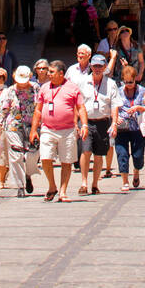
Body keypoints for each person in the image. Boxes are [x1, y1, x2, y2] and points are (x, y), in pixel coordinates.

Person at [29, 60, 89, 201]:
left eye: (51, 72)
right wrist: (33, 130)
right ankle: (52, 186)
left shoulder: (72, 88)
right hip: (47, 129)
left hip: (67, 130)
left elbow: (81, 107)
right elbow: (38, 110)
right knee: (45, 158)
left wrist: (84, 125)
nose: (48, 74)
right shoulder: (44, 88)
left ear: (61, 74)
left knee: (66, 161)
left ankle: (62, 191)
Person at [84, 54, 120, 193]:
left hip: (103, 122)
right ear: (91, 66)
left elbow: (114, 105)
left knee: (99, 155)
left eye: (100, 66)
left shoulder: (111, 84)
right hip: (87, 122)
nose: (97, 69)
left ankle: (94, 184)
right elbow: (79, 104)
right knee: (86, 151)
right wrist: (77, 123)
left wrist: (114, 124)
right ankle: (83, 182)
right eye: (95, 66)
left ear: (105, 67)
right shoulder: (84, 82)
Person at [115, 64, 145, 191]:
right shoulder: (118, 91)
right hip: (122, 128)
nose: (128, 84)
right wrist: (116, 118)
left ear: (135, 78)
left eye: (131, 82)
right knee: (122, 154)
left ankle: (136, 171)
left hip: (138, 128)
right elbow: (113, 107)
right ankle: (125, 181)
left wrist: (138, 108)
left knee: (137, 155)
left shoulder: (142, 91)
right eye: (126, 82)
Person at [3, 65, 39, 196]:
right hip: (14, 126)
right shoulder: (10, 91)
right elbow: (4, 109)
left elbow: (41, 106)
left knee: (33, 154)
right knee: (16, 154)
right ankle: (20, 185)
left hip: (32, 126)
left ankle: (28, 174)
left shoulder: (36, 88)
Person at [66, 45, 94, 185]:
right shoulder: (71, 70)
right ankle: (77, 157)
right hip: (72, 106)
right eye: (78, 53)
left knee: (84, 132)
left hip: (88, 105)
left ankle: (82, 156)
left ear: (89, 55)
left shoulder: (93, 69)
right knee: (74, 131)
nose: (80, 55)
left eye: (83, 53)